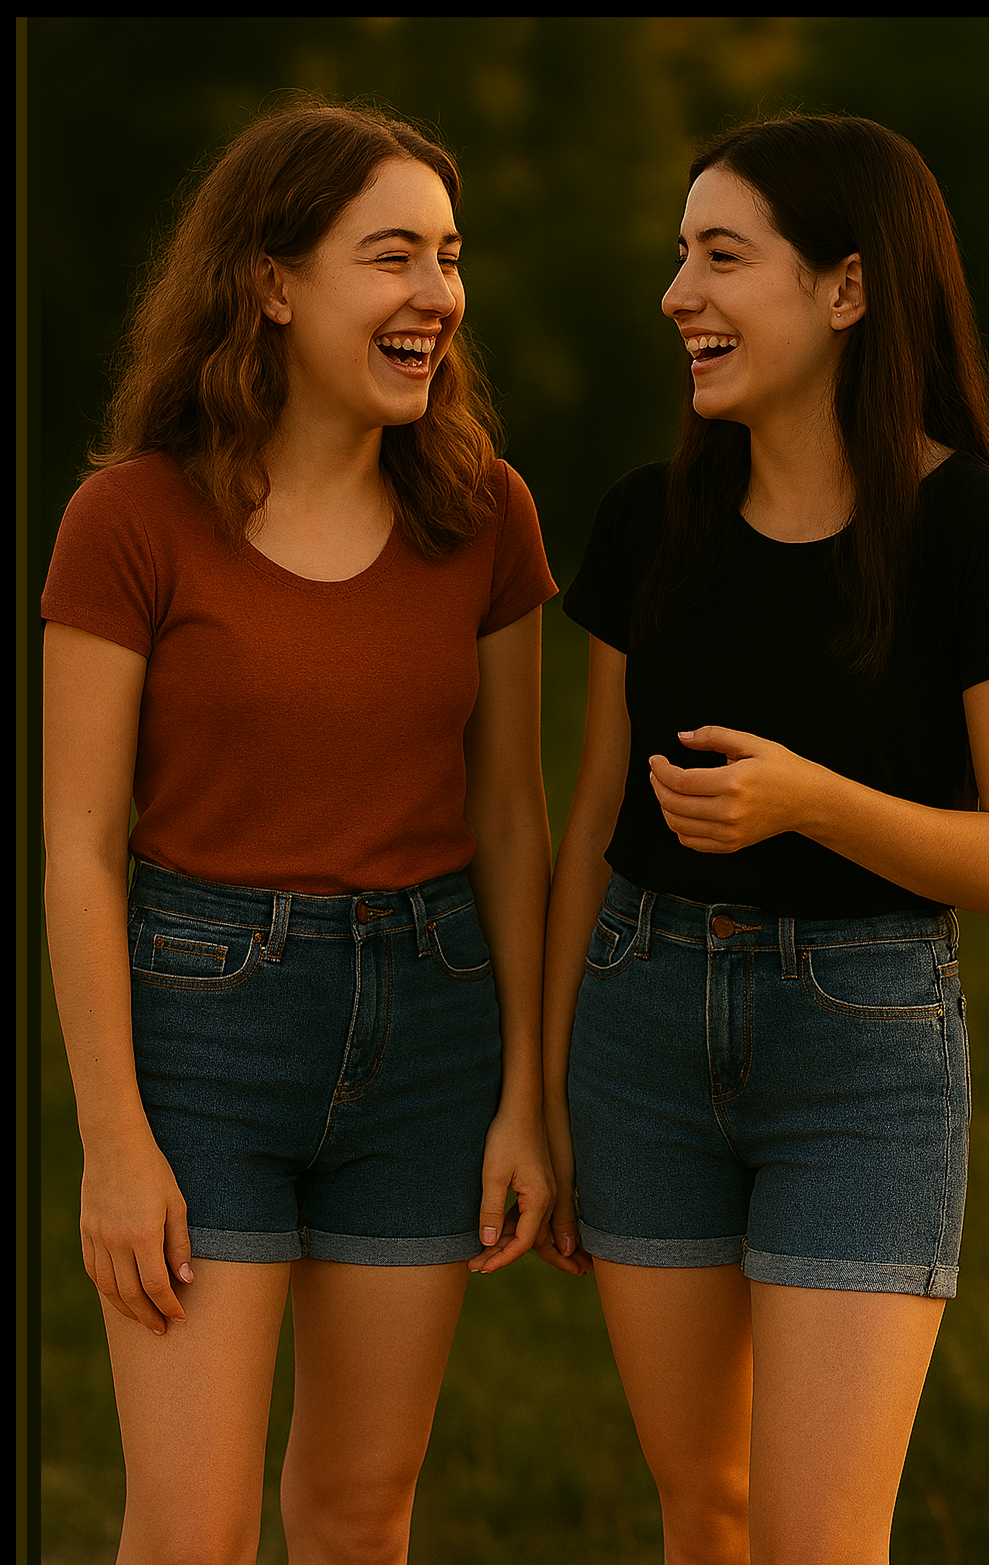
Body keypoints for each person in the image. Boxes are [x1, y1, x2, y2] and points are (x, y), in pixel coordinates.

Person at [538, 113, 989, 1565]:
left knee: (817, 1542)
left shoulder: (978, 529)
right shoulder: (645, 523)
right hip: (637, 1039)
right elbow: (590, 821)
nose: (676, 294)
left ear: (845, 290)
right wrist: (542, 1089)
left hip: (864, 1054)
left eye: (720, 256)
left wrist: (809, 800)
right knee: (701, 1515)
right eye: (677, 255)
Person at [42, 98, 563, 1564]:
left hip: (432, 1039)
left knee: (353, 1517)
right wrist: (114, 1146)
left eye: (448, 259)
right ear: (273, 283)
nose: (436, 297)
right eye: (391, 256)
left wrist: (524, 1092)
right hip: (207, 1038)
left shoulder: (483, 515)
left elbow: (511, 821)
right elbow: (76, 849)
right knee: (192, 1531)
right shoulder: (131, 520)